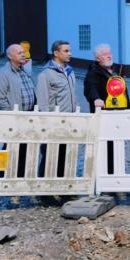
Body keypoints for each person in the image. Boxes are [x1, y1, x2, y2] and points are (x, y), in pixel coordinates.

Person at [84, 44, 130, 174]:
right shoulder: (94, 72)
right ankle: (106, 175)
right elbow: (90, 88)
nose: (109, 55)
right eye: (105, 54)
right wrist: (96, 99)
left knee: (118, 146)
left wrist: (128, 109)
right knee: (106, 148)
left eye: (109, 53)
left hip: (118, 115)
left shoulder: (115, 71)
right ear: (98, 58)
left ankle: (117, 173)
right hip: (104, 116)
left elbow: (123, 92)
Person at [0, 43, 37, 177]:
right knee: (11, 147)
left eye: (23, 52)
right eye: (19, 53)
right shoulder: (3, 74)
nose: (23, 54)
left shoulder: (24, 71)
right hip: (14, 117)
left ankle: (20, 175)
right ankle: (5, 175)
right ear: (10, 56)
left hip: (28, 116)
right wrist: (11, 115)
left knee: (24, 148)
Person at [36, 40, 78, 177]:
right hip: (54, 121)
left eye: (69, 50)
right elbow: (42, 101)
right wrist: (48, 122)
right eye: (66, 51)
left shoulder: (70, 71)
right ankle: (44, 189)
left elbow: (73, 94)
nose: (70, 54)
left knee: (65, 154)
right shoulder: (46, 74)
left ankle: (63, 184)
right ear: (55, 53)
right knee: (49, 154)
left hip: (69, 120)